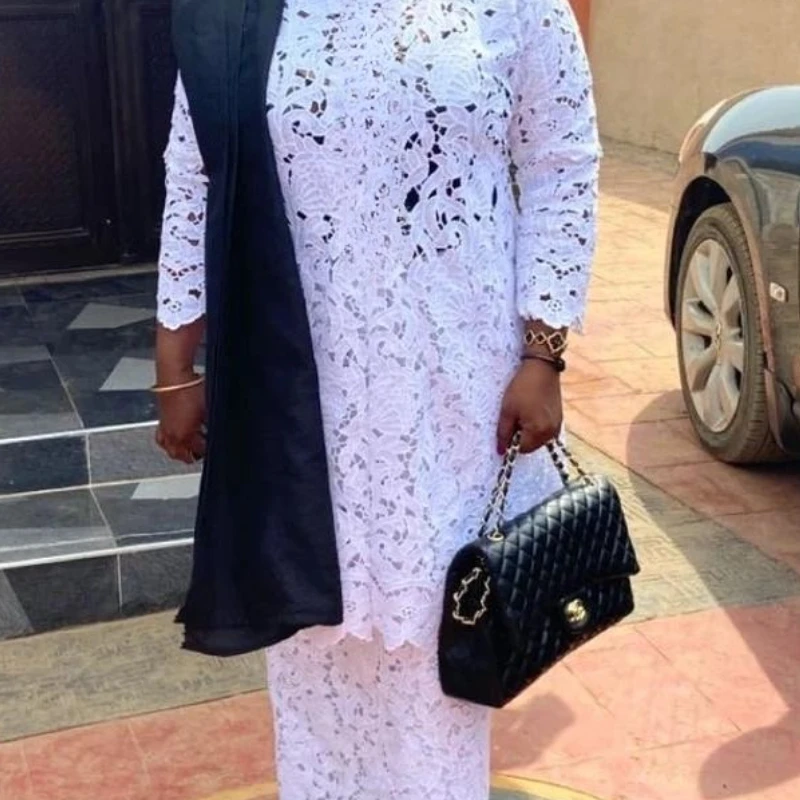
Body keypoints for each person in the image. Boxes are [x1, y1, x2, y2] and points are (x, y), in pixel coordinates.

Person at [154, 0, 599, 797]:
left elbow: (561, 162)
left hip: (452, 395)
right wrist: (175, 362)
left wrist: (544, 348)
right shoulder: (236, 14)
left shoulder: (514, 7)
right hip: (295, 393)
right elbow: (194, 176)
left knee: (445, 633)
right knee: (311, 630)